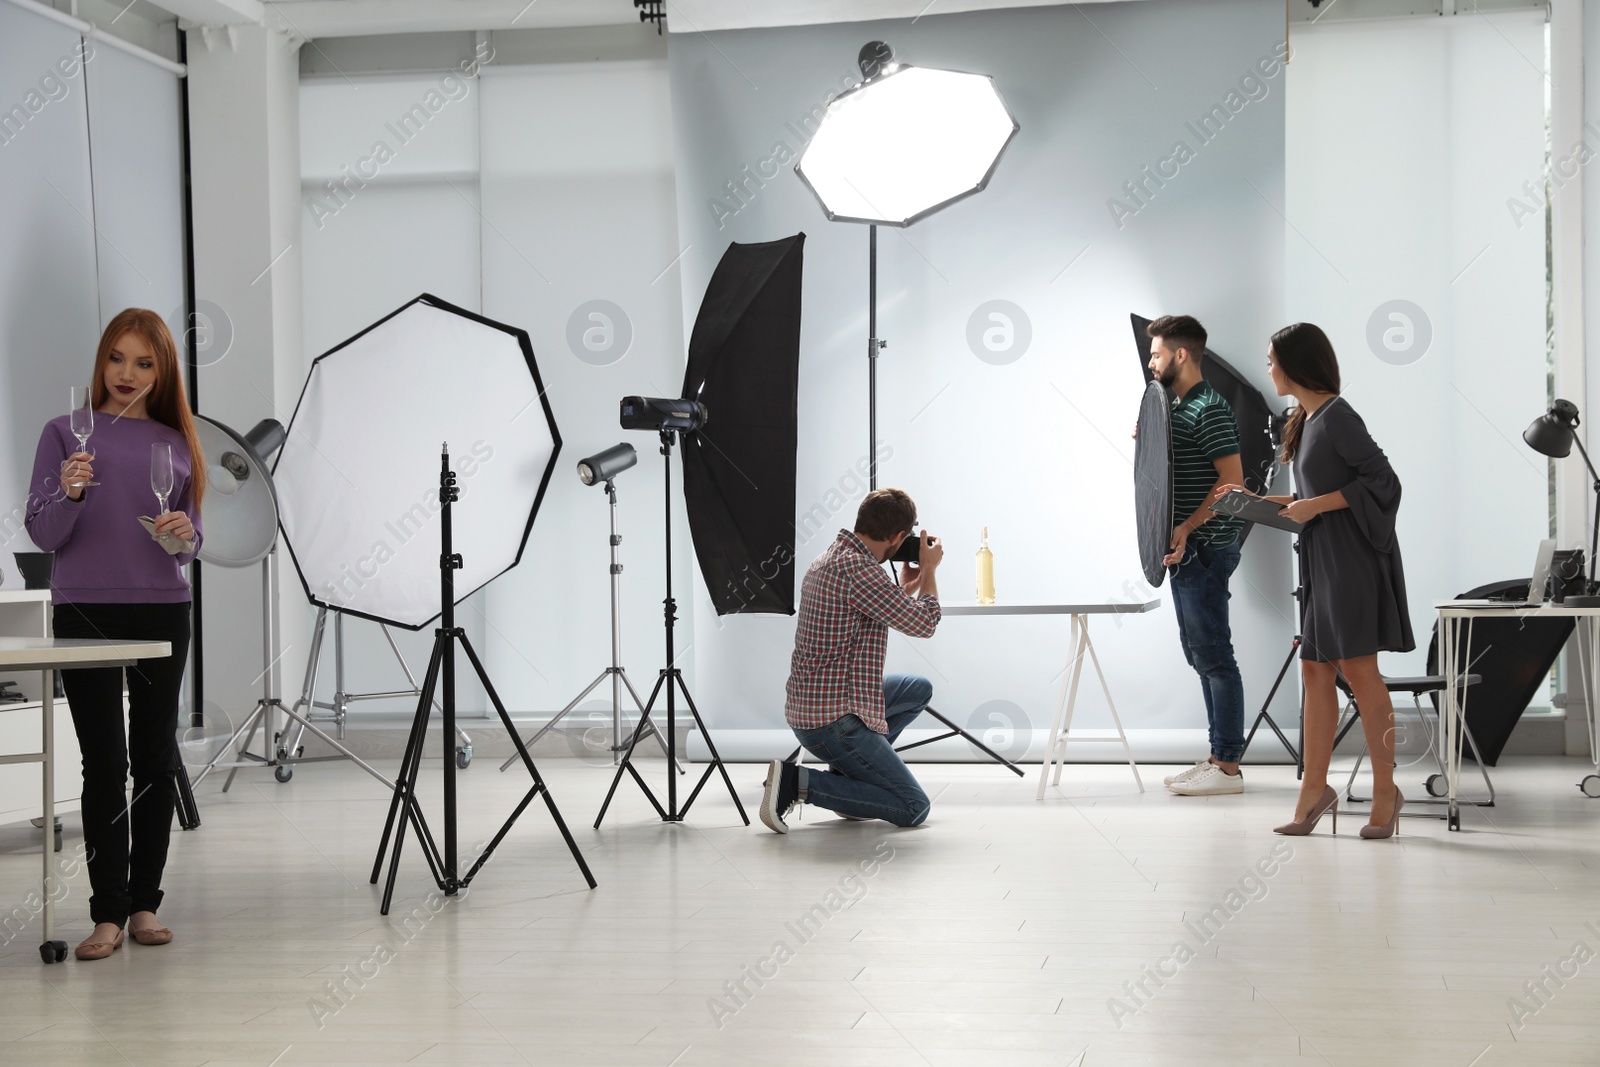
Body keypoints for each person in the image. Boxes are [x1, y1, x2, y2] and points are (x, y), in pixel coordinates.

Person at [25, 308, 205, 958]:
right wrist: (69, 496)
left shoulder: (178, 441)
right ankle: (106, 914)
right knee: (104, 762)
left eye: (144, 363)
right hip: (86, 611)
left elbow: (188, 537)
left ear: (162, 373)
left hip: (162, 608)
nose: (127, 374)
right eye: (117, 358)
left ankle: (145, 904)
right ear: (101, 362)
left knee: (155, 760)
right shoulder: (61, 435)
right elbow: (42, 533)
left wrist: (185, 535)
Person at [1223, 322, 1413, 839]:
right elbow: (1313, 495)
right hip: (1322, 561)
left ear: (1295, 363)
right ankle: (1314, 791)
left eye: (1271, 359)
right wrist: (1254, 502)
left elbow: (1383, 481)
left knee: (1360, 672)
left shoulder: (1337, 415)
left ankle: (1384, 792)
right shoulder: (1306, 420)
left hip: (1349, 562)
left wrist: (1316, 504)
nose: (1268, 367)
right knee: (1314, 673)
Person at [760, 488, 943, 833]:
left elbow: (863, 612)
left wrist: (904, 587)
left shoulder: (833, 557)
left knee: (916, 689)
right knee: (913, 807)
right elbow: (925, 624)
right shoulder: (859, 570)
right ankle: (796, 783)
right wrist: (930, 570)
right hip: (834, 722)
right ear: (897, 537)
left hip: (811, 709)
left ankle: (851, 777)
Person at [1141, 316, 1248, 797]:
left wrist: (1186, 526)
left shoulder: (1209, 408)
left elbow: (1233, 485)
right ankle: (1216, 757)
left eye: (1157, 354)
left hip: (1204, 546)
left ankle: (1227, 766)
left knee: (1215, 656)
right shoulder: (1177, 407)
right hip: (1186, 550)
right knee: (1200, 654)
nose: (1151, 362)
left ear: (1181, 355)